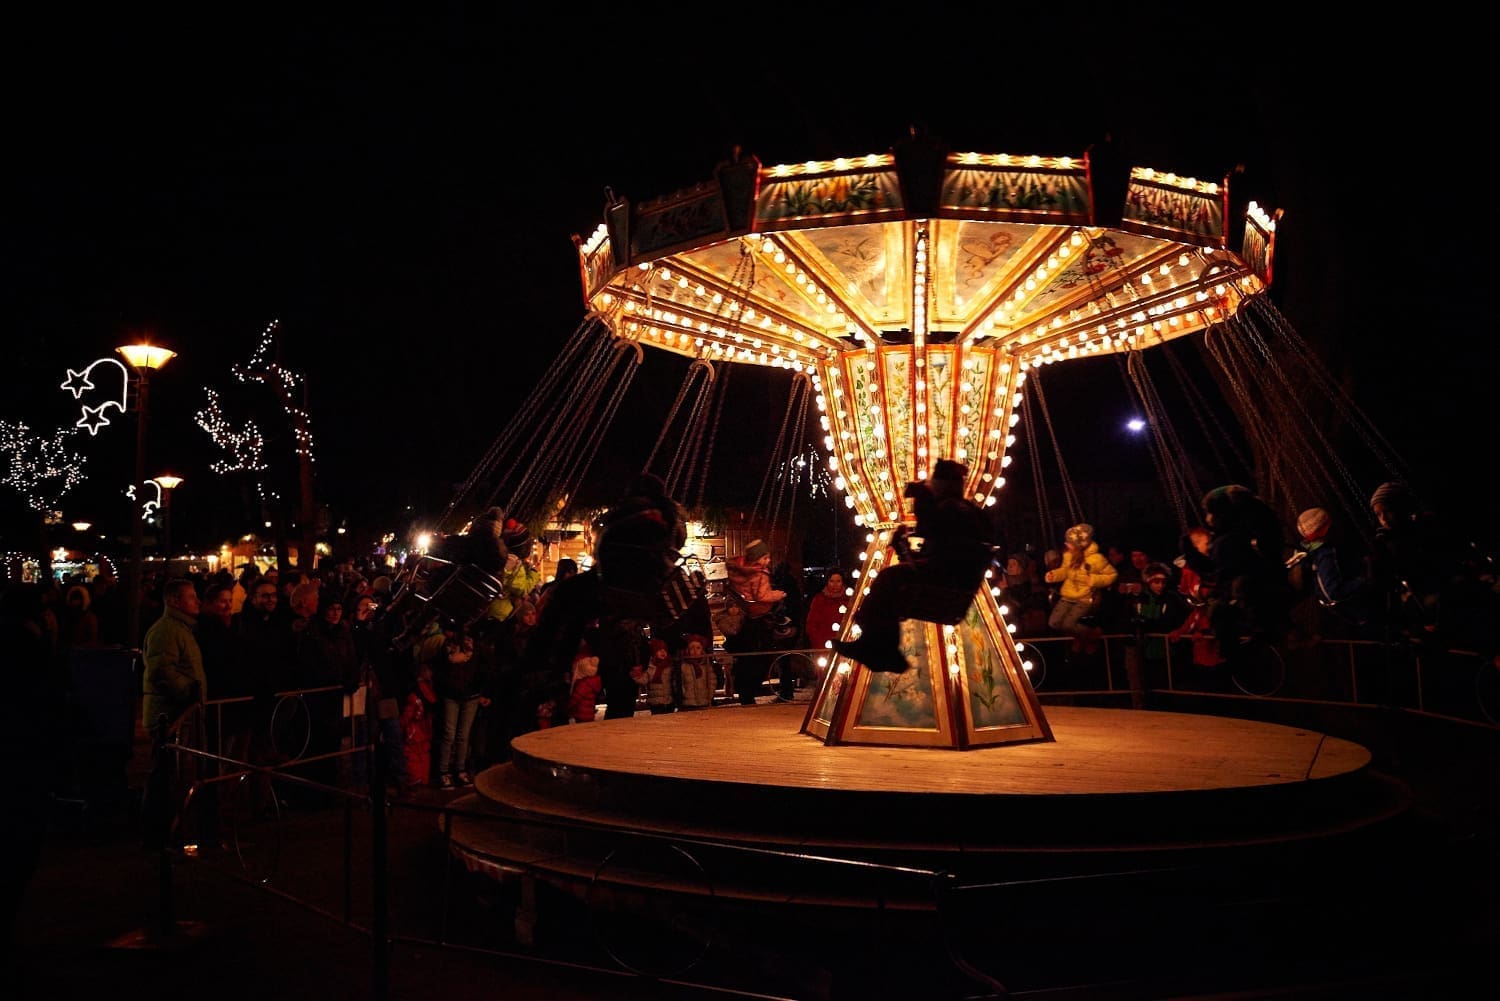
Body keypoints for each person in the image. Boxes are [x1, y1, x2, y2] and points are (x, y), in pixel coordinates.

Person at [835, 459, 993, 674]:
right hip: (952, 577)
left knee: (888, 580)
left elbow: (936, 534)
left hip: (944, 579)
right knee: (891, 589)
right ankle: (881, 648)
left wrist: (922, 499)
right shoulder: (969, 511)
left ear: (942, 485)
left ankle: (879, 648)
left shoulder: (951, 509)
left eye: (934, 484)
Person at [139, 578, 207, 851]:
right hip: (170, 715)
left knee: (172, 777)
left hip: (179, 713)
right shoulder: (167, 631)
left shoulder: (181, 629)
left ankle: (168, 832)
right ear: (175, 601)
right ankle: (158, 834)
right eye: (191, 597)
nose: (197, 601)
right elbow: (160, 670)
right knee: (165, 778)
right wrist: (188, 692)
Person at [724, 538, 788, 702]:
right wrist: (778, 594)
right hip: (759, 615)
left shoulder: (738, 570)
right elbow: (762, 595)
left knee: (747, 659)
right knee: (761, 657)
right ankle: (751, 689)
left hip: (747, 616)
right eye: (765, 558)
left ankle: (745, 692)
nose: (768, 561)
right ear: (756, 558)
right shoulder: (759, 575)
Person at [1044, 523, 1118, 655]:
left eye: (1070, 543)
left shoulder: (1096, 559)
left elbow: (1112, 574)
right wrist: (1054, 575)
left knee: (1068, 624)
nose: (1067, 545)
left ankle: (1089, 635)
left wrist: (1094, 580)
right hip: (1067, 595)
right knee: (1054, 622)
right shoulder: (1069, 556)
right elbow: (1065, 571)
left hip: (1084, 597)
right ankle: (1085, 636)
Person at [802, 569, 847, 654]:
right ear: (827, 582)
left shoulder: (848, 599)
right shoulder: (819, 599)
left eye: (838, 581)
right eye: (832, 581)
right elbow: (811, 624)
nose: (835, 585)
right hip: (823, 646)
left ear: (842, 582)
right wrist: (819, 644)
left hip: (844, 644)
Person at [676, 634, 715, 710]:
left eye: (698, 648)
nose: (695, 651)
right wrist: (684, 694)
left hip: (704, 701)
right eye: (692, 648)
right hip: (688, 702)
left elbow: (712, 681)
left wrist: (709, 695)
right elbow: (680, 682)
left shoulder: (706, 666)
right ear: (688, 650)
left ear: (702, 650)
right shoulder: (683, 666)